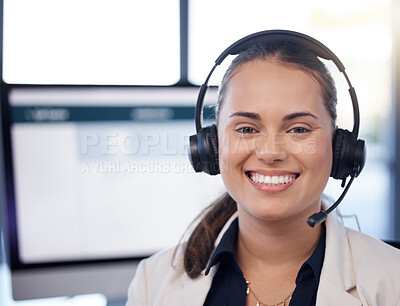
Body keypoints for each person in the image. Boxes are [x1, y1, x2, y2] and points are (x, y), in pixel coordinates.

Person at [126, 31, 400, 306]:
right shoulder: (153, 283)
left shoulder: (392, 280)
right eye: (246, 128)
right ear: (212, 145)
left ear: (340, 146)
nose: (270, 153)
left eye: (299, 129)